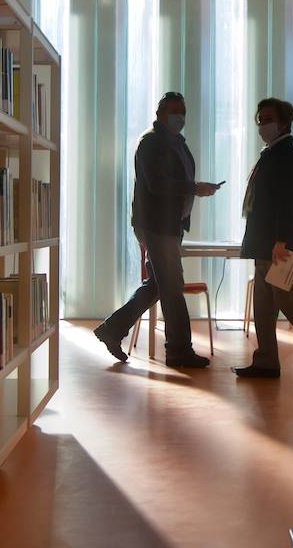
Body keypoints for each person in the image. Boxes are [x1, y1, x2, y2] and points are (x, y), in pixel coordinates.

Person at [93, 91, 220, 368]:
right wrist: (194, 188)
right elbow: (157, 183)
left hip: (170, 225)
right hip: (156, 225)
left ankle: (112, 329)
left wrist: (194, 189)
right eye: (175, 111)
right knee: (173, 286)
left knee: (157, 286)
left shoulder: (177, 143)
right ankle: (178, 350)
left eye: (183, 111)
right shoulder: (151, 142)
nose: (180, 117)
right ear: (160, 114)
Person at [235, 97, 293, 378]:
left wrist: (280, 240)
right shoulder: (272, 153)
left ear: (283, 122)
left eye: (268, 119)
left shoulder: (289, 155)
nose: (262, 125)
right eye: (260, 120)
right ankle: (266, 360)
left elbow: (290, 202)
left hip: (280, 247)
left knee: (291, 304)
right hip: (266, 245)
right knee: (263, 305)